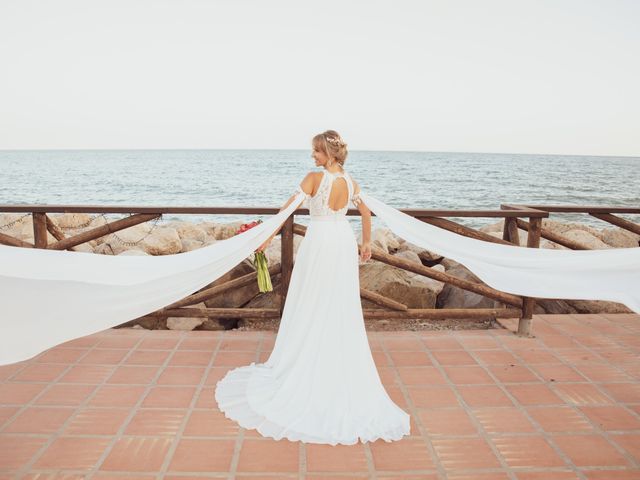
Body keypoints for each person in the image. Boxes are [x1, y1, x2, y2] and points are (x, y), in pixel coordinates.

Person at [214, 130, 412, 445]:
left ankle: (308, 360)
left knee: (310, 301)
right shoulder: (351, 183)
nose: (313, 157)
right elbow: (364, 212)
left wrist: (264, 238)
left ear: (329, 154)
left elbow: (285, 211)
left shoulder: (313, 179)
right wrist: (365, 243)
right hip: (341, 241)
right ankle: (335, 360)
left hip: (320, 242)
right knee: (337, 302)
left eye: (317, 152)